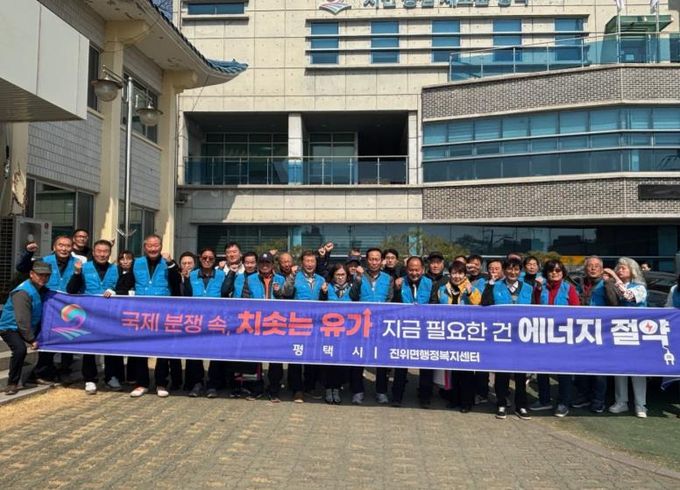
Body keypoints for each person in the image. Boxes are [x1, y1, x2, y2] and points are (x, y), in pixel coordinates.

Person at [67, 240, 125, 394]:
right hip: (89, 314)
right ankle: (90, 379)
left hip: (110, 315)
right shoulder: (83, 268)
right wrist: (76, 273)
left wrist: (115, 291)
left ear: (110, 253)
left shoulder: (116, 269)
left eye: (105, 251)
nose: (102, 254)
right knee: (89, 347)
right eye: (99, 251)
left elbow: (124, 288)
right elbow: (71, 289)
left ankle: (111, 377)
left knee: (111, 347)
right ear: (93, 252)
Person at [17, 235, 78, 382]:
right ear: (54, 247)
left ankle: (64, 370)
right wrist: (29, 253)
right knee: (47, 339)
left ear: (72, 248)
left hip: (68, 308)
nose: (64, 248)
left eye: (68, 246)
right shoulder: (45, 261)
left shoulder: (78, 263)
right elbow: (22, 268)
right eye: (61, 245)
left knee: (68, 338)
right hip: (47, 307)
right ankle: (42, 371)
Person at [128, 234, 181, 398]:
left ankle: (161, 383)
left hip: (163, 312)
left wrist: (171, 264)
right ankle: (142, 383)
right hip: (141, 312)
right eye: (149, 246)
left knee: (162, 349)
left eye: (156, 245)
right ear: (145, 247)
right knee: (140, 349)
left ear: (161, 246)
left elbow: (177, 284)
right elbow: (127, 282)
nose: (153, 249)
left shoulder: (169, 263)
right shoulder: (136, 263)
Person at [482, 257, 534, 420]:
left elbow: (535, 310)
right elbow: (485, 304)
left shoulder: (528, 288)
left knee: (520, 374)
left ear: (520, 271)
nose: (513, 272)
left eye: (516, 269)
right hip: (501, 335)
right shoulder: (495, 286)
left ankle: (521, 405)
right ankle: (501, 403)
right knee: (502, 373)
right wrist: (490, 285)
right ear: (504, 270)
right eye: (510, 269)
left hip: (521, 336)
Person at [530, 259, 580, 417]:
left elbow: (576, 311)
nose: (554, 273)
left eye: (558, 270)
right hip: (543, 334)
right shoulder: (540, 287)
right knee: (542, 368)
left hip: (563, 336)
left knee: (563, 370)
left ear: (563, 273)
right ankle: (544, 400)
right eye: (551, 270)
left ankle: (563, 403)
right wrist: (538, 290)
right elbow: (534, 306)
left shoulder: (569, 288)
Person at [433, 261, 482, 412]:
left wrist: (470, 292)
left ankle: (466, 402)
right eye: (454, 273)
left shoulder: (472, 289)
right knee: (452, 369)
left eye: (460, 273)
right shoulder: (442, 289)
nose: (457, 276)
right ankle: (454, 399)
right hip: (449, 334)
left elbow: (479, 304)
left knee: (466, 370)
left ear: (465, 275)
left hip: (466, 334)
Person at [572, 255, 618, 414]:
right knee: (582, 367)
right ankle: (583, 396)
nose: (593, 268)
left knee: (599, 369)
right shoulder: (580, 284)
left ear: (602, 268)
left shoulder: (607, 283)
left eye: (596, 266)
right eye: (589, 266)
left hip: (602, 332)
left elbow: (614, 303)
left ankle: (598, 401)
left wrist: (608, 284)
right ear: (585, 269)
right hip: (582, 330)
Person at [181, 248, 229, 398]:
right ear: (200, 259)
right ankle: (197, 383)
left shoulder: (221, 275)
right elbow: (187, 295)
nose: (207, 260)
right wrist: (186, 280)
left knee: (215, 353)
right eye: (204, 258)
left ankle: (213, 384)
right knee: (195, 352)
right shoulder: (192, 274)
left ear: (214, 260)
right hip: (196, 319)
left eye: (210, 258)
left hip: (215, 319)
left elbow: (225, 292)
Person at [349, 248, 394, 405]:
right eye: (371, 259)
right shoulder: (359, 276)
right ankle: (358, 391)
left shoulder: (388, 278)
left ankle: (381, 391)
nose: (374, 262)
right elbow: (353, 296)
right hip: (361, 323)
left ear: (381, 261)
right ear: (366, 260)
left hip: (381, 324)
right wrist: (357, 279)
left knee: (381, 359)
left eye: (377, 259)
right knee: (359, 356)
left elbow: (390, 299)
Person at [280, 250, 326, 402]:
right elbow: (286, 292)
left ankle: (309, 387)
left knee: (312, 356)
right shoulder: (294, 276)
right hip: (297, 323)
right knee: (296, 357)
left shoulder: (321, 279)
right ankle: (297, 389)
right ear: (302, 263)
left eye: (312, 261)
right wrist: (292, 276)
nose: (310, 264)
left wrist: (324, 293)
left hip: (316, 324)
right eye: (307, 261)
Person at [605, 257, 649, 418]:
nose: (620, 270)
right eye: (618, 268)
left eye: (624, 268)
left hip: (637, 332)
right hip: (620, 330)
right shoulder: (615, 286)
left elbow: (629, 296)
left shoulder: (640, 287)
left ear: (632, 271)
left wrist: (614, 277)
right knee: (620, 368)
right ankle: (621, 401)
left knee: (638, 369)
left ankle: (640, 405)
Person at [0, 261, 51, 395]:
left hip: (28, 326)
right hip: (10, 327)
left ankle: (35, 374)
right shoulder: (23, 292)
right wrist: (32, 339)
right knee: (20, 350)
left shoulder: (40, 288)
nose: (43, 278)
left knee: (49, 342)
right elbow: (22, 320)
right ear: (31, 274)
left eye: (46, 275)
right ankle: (12, 383)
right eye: (40, 275)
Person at [392, 256, 434, 408]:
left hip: (425, 329)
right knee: (401, 364)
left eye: (417, 270)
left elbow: (435, 304)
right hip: (404, 328)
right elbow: (393, 305)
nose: (414, 273)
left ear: (422, 270)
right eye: (411, 270)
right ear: (406, 269)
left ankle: (425, 397)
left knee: (426, 364)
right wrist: (397, 290)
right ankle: (397, 397)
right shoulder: (400, 282)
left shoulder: (430, 283)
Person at [319, 263, 352, 404]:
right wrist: (323, 293)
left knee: (340, 361)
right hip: (328, 331)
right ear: (333, 276)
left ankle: (337, 388)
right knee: (328, 360)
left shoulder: (352, 289)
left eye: (343, 274)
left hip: (346, 331)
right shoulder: (327, 288)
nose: (340, 277)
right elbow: (319, 306)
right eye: (337, 275)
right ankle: (328, 388)